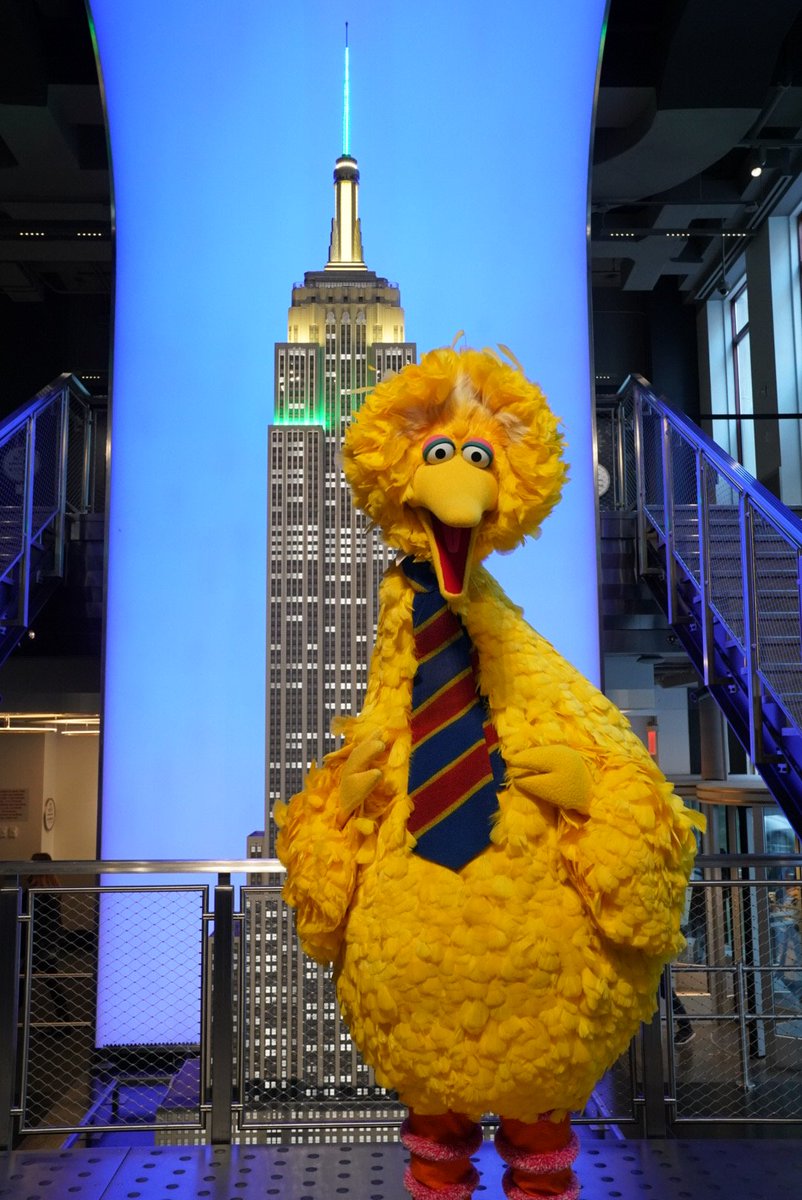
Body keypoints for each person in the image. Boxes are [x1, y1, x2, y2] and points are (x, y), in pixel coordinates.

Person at [23, 852, 69, 1026]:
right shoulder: (53, 889)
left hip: (35, 943)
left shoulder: (34, 892)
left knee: (21, 979)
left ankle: (10, 1018)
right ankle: (65, 1020)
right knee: (52, 981)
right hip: (50, 941)